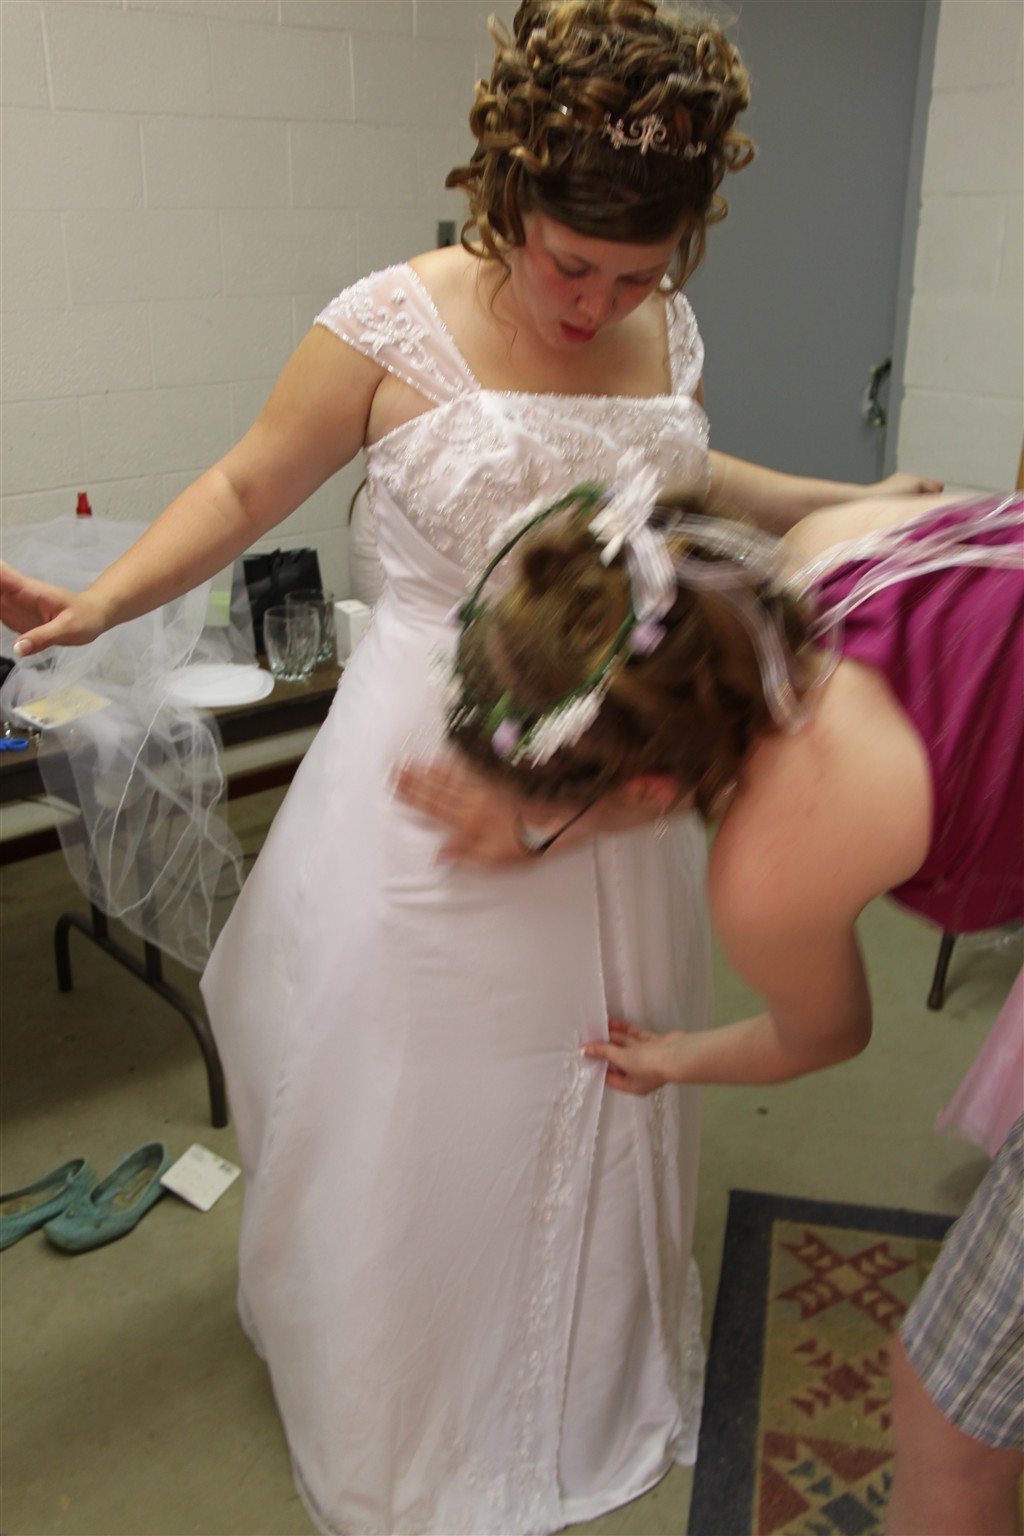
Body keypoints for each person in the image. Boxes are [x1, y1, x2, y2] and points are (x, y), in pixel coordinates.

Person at [0, 3, 941, 1530]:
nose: (599, 302)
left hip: (615, 784)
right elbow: (245, 483)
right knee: (415, 1099)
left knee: (605, 1067)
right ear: (507, 195)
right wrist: (106, 603)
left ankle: (581, 1379)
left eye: (637, 275)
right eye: (572, 264)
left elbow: (685, 480)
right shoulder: (387, 323)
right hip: (428, 770)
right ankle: (403, 1399)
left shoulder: (665, 327)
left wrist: (850, 496)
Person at [397, 478, 1023, 1534]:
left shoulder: (776, 860)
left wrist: (670, 1059)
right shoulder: (825, 550)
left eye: (551, 822)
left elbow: (825, 1034)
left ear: (648, 793)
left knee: (946, 1417)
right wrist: (549, 804)